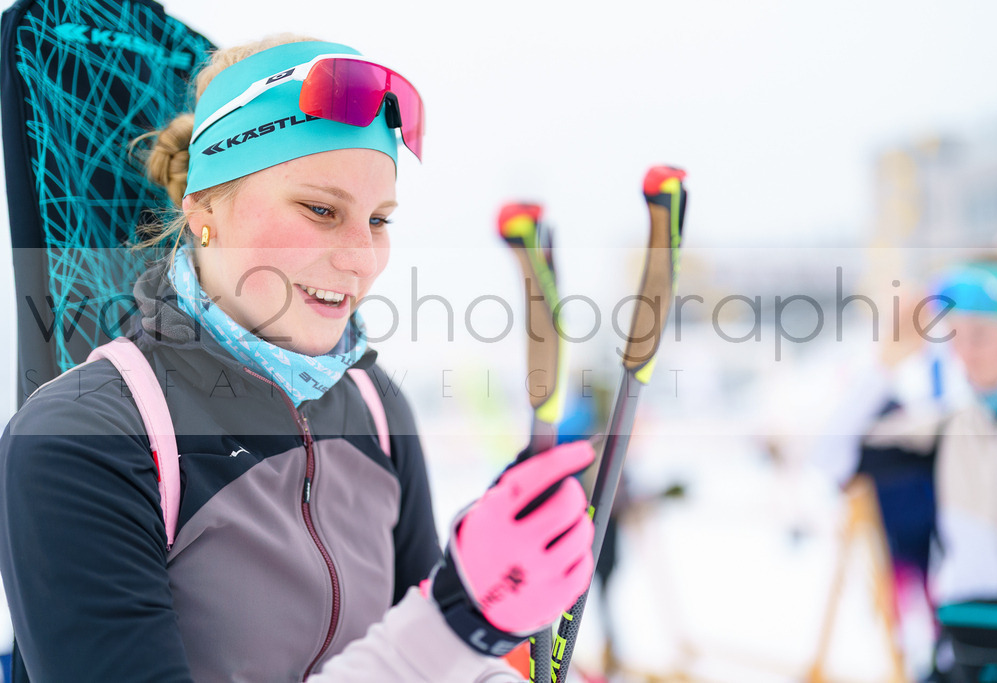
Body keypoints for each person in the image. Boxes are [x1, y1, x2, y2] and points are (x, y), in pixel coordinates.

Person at [0, 35, 595, 682]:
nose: (361, 258)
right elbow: (426, 643)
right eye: (320, 209)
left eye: (379, 219)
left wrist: (487, 644)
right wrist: (455, 619)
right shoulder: (82, 436)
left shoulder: (374, 407)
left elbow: (431, 662)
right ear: (202, 208)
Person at [923, 242, 997, 682]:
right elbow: (830, 458)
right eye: (955, 335)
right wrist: (885, 361)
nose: (964, 352)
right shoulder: (944, 427)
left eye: (980, 334)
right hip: (967, 657)